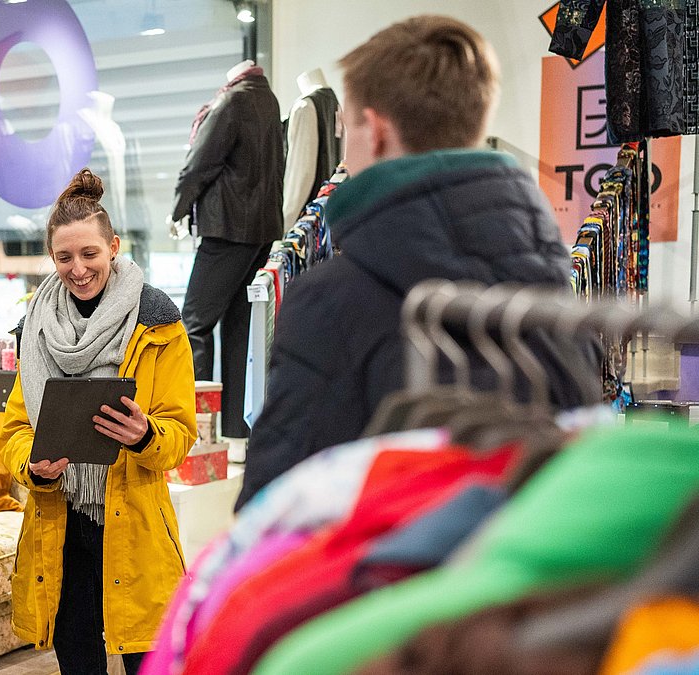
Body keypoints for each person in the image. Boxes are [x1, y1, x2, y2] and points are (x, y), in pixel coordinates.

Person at [237, 16, 591, 510]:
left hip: (382, 579)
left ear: (376, 132)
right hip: (534, 581)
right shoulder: (555, 290)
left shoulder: (333, 299)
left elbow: (272, 512)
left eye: (347, 132)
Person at [0, 168, 198, 675]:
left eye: (89, 253)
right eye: (64, 257)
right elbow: (15, 433)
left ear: (112, 246)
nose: (78, 268)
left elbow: (179, 433)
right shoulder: (34, 330)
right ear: (52, 258)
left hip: (133, 523)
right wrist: (33, 466)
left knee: (147, 662)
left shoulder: (157, 323)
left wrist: (144, 435)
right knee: (78, 663)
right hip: (62, 524)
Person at [171, 58, 285, 442]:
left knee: (194, 325)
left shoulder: (232, 103)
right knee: (237, 331)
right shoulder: (268, 101)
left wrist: (177, 210)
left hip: (227, 230)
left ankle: (197, 434)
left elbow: (198, 165)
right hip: (259, 233)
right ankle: (235, 433)